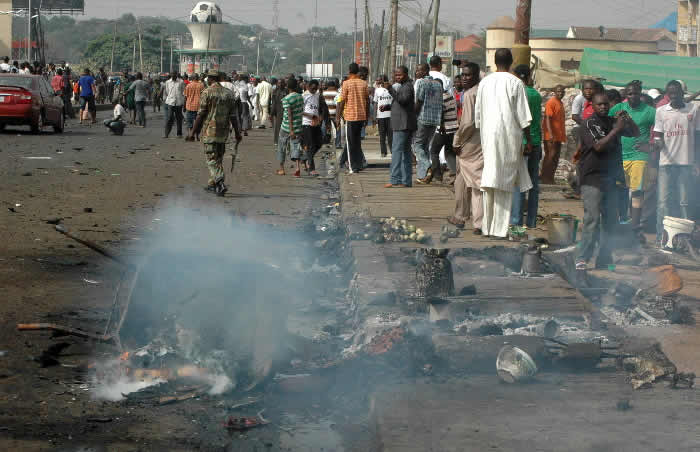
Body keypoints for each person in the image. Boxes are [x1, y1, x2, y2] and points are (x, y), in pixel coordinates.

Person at [576, 93, 639, 270]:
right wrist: (616, 130)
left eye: (606, 104)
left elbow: (635, 133)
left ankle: (604, 258)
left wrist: (627, 119)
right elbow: (598, 146)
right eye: (600, 105)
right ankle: (582, 257)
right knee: (593, 219)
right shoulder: (588, 123)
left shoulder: (613, 121)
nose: (603, 107)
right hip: (592, 177)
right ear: (593, 106)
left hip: (611, 178)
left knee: (611, 221)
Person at [474, 48, 533, 239]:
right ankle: (499, 229)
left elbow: (478, 115)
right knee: (505, 183)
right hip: (509, 137)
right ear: (512, 62)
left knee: (491, 180)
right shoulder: (516, 82)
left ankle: (487, 227)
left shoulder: (485, 82)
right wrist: (529, 140)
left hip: (488, 137)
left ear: (494, 60)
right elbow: (524, 117)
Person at [653, 80, 700, 248]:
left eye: (676, 93)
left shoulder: (693, 110)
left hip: (686, 163)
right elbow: (658, 136)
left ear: (682, 93)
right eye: (670, 93)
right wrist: (657, 144)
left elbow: (698, 137)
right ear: (667, 94)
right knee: (663, 202)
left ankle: (685, 240)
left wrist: (697, 162)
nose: (673, 96)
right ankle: (661, 238)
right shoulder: (660, 111)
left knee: (684, 202)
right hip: (666, 163)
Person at [609, 80, 656, 231]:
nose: (632, 96)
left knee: (636, 191)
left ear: (640, 93)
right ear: (626, 95)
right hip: (619, 156)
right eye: (629, 93)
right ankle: (619, 223)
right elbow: (605, 122)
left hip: (639, 156)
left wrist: (650, 146)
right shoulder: (619, 107)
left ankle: (635, 227)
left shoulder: (649, 111)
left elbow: (663, 129)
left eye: (635, 93)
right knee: (619, 190)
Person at [187, 70, 242, 197]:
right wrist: (237, 133)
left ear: (210, 79)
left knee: (211, 158)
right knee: (218, 158)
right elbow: (234, 116)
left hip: (210, 131)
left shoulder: (207, 92)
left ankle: (220, 181)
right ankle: (213, 184)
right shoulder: (229, 94)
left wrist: (192, 132)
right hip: (223, 132)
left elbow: (201, 114)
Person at [448, 62, 483, 234]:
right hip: (483, 140)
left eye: (468, 75)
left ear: (476, 76)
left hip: (470, 141)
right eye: (463, 75)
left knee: (464, 179)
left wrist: (456, 141)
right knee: (475, 182)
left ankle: (462, 216)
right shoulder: (483, 90)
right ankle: (477, 221)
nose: (464, 78)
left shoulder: (470, 94)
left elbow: (468, 123)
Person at [510, 65, 543, 229]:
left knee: (519, 184)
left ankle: (516, 222)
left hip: (522, 143)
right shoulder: (536, 95)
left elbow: (522, 121)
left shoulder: (518, 93)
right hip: (536, 142)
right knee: (533, 185)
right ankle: (531, 221)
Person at [384, 65, 417, 188]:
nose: (397, 77)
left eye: (400, 75)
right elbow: (402, 103)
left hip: (403, 124)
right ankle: (406, 180)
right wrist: (387, 107)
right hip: (403, 123)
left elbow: (402, 100)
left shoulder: (407, 86)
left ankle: (395, 179)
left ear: (406, 74)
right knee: (405, 152)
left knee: (397, 152)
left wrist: (390, 89)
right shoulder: (404, 86)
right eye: (396, 75)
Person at [336, 63, 369, 173]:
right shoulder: (364, 83)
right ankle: (358, 164)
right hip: (361, 116)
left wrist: (337, 117)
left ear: (349, 71)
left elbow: (342, 101)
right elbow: (367, 101)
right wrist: (367, 117)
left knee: (350, 143)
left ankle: (352, 167)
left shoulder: (346, 83)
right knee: (357, 141)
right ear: (358, 71)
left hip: (350, 117)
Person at [414, 63, 443, 183]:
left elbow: (419, 101)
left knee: (417, 146)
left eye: (419, 70)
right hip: (435, 119)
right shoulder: (438, 84)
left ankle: (429, 165)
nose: (417, 72)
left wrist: (413, 115)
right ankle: (423, 176)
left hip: (422, 118)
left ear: (425, 71)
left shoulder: (421, 82)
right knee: (425, 146)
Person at [425, 79, 458, 184]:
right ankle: (454, 175)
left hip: (444, 129)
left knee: (433, 151)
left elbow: (441, 113)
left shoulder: (440, 98)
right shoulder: (449, 95)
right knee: (449, 153)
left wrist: (441, 125)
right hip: (453, 128)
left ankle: (438, 175)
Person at [276, 77, 304, 177]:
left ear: (288, 87)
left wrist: (291, 130)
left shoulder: (286, 99)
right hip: (298, 126)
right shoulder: (300, 97)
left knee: (282, 147)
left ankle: (282, 169)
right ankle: (297, 168)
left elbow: (289, 114)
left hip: (286, 127)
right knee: (296, 147)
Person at [541, 85, 566, 184]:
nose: (560, 93)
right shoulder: (551, 102)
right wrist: (550, 134)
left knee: (555, 157)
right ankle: (544, 178)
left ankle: (550, 178)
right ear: (554, 92)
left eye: (562, 91)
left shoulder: (560, 103)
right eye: (558, 91)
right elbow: (547, 118)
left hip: (558, 136)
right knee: (550, 157)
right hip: (551, 135)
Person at [302, 79, 322, 176]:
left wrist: (319, 118)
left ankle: (305, 158)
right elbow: (301, 111)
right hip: (307, 123)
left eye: (315, 88)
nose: (314, 90)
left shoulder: (317, 95)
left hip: (316, 123)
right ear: (308, 87)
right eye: (312, 88)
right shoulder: (304, 96)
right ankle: (312, 168)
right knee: (310, 146)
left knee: (319, 143)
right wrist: (311, 116)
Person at [374, 75, 393, 158]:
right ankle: (383, 152)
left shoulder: (391, 89)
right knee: (382, 135)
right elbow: (375, 103)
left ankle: (392, 151)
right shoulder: (377, 90)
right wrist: (375, 115)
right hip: (381, 116)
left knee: (390, 136)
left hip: (390, 116)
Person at [162, 72, 185, 138]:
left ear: (176, 75)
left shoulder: (181, 82)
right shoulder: (168, 82)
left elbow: (183, 92)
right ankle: (166, 134)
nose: (173, 75)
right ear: (171, 75)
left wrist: (183, 103)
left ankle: (179, 134)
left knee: (179, 119)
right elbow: (167, 91)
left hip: (178, 103)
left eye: (175, 74)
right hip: (170, 102)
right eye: (172, 74)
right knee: (169, 118)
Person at [184, 73, 205, 139]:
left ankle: (191, 134)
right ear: (198, 78)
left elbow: (185, 97)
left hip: (189, 106)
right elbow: (204, 96)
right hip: (199, 107)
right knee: (199, 123)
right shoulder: (201, 85)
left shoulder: (188, 86)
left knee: (189, 122)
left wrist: (184, 106)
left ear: (192, 78)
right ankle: (197, 135)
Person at [270, 78, 288, 148]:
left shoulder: (286, 91)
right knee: (278, 127)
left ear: (284, 84)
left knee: (286, 128)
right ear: (277, 84)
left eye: (281, 83)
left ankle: (285, 141)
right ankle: (276, 141)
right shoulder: (275, 91)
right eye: (279, 83)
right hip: (278, 112)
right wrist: (271, 113)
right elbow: (273, 103)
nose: (280, 84)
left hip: (286, 111)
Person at [323, 80, 339, 149]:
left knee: (327, 128)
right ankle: (338, 144)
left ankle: (326, 142)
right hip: (334, 114)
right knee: (337, 129)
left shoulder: (324, 93)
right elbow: (338, 104)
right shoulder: (337, 93)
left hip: (326, 115)